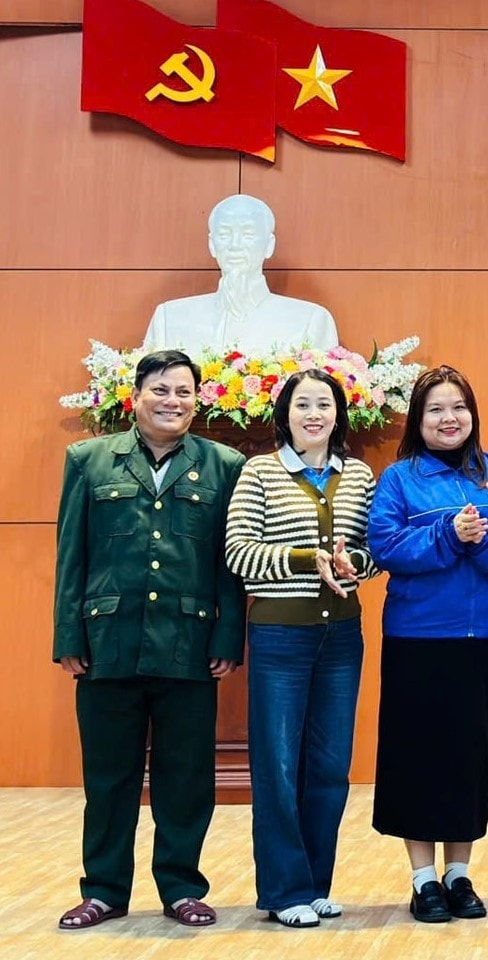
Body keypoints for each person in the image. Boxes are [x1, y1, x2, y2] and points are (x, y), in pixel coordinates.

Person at [52, 349, 247, 931]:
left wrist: (227, 635)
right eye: (160, 390)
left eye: (184, 392)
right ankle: (104, 890)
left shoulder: (224, 465)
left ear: (198, 401)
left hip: (189, 644)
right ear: (135, 397)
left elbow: (229, 562)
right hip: (107, 642)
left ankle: (182, 887)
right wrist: (68, 634)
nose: (172, 401)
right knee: (108, 776)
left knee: (186, 777)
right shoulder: (89, 459)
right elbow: (71, 554)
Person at [366, 366, 488, 923]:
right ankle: (423, 880)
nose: (449, 418)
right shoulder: (399, 479)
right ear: (418, 419)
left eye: (458, 407)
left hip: (481, 639)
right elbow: (386, 545)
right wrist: (448, 533)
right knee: (417, 758)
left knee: (470, 757)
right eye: (436, 409)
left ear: (473, 414)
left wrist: (482, 539)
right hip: (417, 639)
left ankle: (459, 875)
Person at [224, 369, 380, 927]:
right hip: (280, 637)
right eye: (302, 405)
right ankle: (283, 890)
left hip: (342, 637)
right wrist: (304, 559)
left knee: (331, 764)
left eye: (324, 405)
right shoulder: (259, 472)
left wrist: (353, 563)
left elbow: (372, 550)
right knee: (278, 765)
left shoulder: (358, 475)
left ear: (339, 414)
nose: (314, 415)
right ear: (284, 415)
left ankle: (316, 884)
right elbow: (239, 553)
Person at [143, 194, 338, 353]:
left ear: (269, 245)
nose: (235, 245)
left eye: (248, 235)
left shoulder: (310, 319)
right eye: (224, 234)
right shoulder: (169, 318)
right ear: (212, 245)